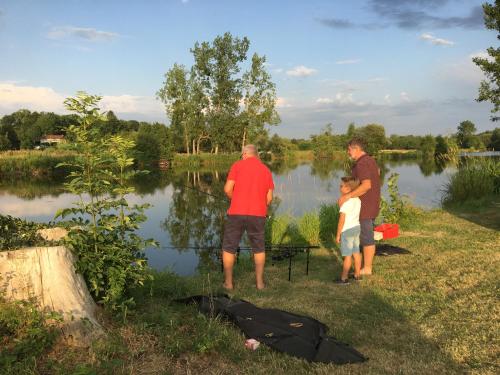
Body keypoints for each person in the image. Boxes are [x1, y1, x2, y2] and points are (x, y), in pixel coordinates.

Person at [222, 144, 274, 290]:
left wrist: (235, 199)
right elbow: (269, 198)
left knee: (229, 247)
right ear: (256, 155)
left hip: (236, 213)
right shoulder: (265, 170)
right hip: (258, 214)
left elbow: (227, 189)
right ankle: (259, 283)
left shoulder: (237, 166)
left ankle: (229, 283)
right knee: (258, 248)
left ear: (244, 154)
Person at [338, 138, 381, 276]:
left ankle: (367, 268)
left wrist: (347, 196)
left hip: (366, 206)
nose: (348, 152)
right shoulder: (369, 160)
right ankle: (363, 265)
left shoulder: (362, 163)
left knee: (367, 237)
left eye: (349, 149)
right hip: (371, 203)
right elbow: (377, 173)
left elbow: (366, 185)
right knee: (364, 236)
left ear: (356, 149)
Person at [335, 177, 362, 284]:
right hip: (356, 227)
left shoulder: (346, 203)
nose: (340, 188)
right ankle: (357, 274)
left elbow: (341, 220)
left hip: (347, 230)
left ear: (348, 188)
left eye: (341, 186)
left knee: (347, 255)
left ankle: (344, 278)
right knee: (356, 252)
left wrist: (338, 235)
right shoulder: (358, 200)